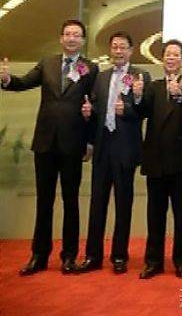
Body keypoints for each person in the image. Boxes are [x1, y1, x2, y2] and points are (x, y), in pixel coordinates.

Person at [1, 19, 97, 276]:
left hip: (73, 144)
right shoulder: (47, 63)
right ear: (61, 38)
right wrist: (7, 80)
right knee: (44, 201)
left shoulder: (90, 68)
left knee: (70, 201)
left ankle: (69, 256)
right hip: (45, 143)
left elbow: (94, 106)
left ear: (83, 40)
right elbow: (23, 83)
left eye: (76, 35)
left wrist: (90, 140)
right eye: (67, 34)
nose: (71, 38)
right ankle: (39, 255)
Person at [77, 31, 150, 275]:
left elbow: (145, 109)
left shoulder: (141, 75)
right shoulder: (101, 76)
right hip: (102, 145)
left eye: (123, 47)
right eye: (115, 47)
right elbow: (96, 108)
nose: (118, 51)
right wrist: (89, 113)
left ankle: (119, 255)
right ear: (110, 50)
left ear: (131, 50)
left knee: (123, 204)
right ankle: (93, 255)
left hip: (125, 147)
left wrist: (128, 107)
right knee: (97, 202)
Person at [136, 39, 182, 279]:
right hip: (155, 161)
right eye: (168, 55)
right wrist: (137, 96)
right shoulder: (153, 86)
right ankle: (153, 262)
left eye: (175, 55)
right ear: (162, 59)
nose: (171, 58)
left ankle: (181, 261)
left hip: (181, 162)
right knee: (155, 215)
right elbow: (141, 111)